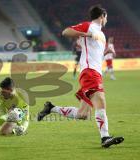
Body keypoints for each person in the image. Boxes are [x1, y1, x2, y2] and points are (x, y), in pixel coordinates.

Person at [37, 5, 124, 148]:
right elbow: (66, 32)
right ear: (102, 16)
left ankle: (51, 108)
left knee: (82, 114)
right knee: (101, 101)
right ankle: (105, 137)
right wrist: (88, 34)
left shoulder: (101, 34)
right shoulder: (89, 26)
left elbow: (95, 54)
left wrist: (106, 50)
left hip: (95, 72)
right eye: (106, 17)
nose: (107, 19)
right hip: (90, 72)